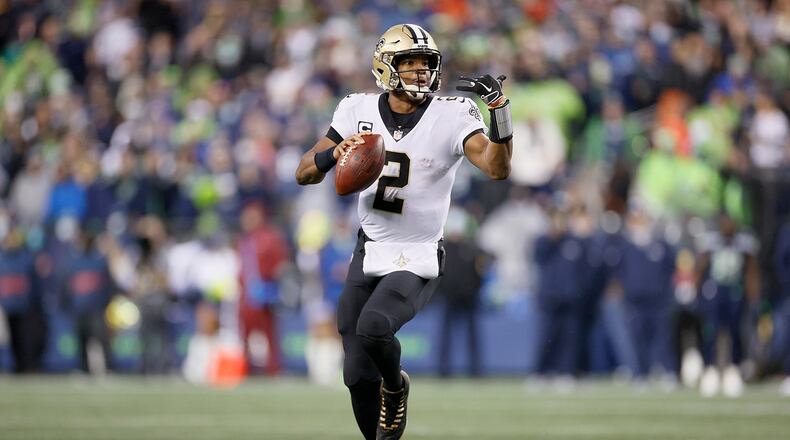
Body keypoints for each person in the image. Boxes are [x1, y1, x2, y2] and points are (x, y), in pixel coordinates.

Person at [295, 23, 513, 440]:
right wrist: (333, 155)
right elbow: (303, 172)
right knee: (355, 373)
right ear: (385, 66)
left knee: (375, 326)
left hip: (418, 252)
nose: (420, 72)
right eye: (410, 63)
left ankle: (396, 387)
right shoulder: (355, 108)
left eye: (426, 63)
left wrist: (499, 111)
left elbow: (496, 167)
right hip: (370, 247)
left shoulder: (452, 113)